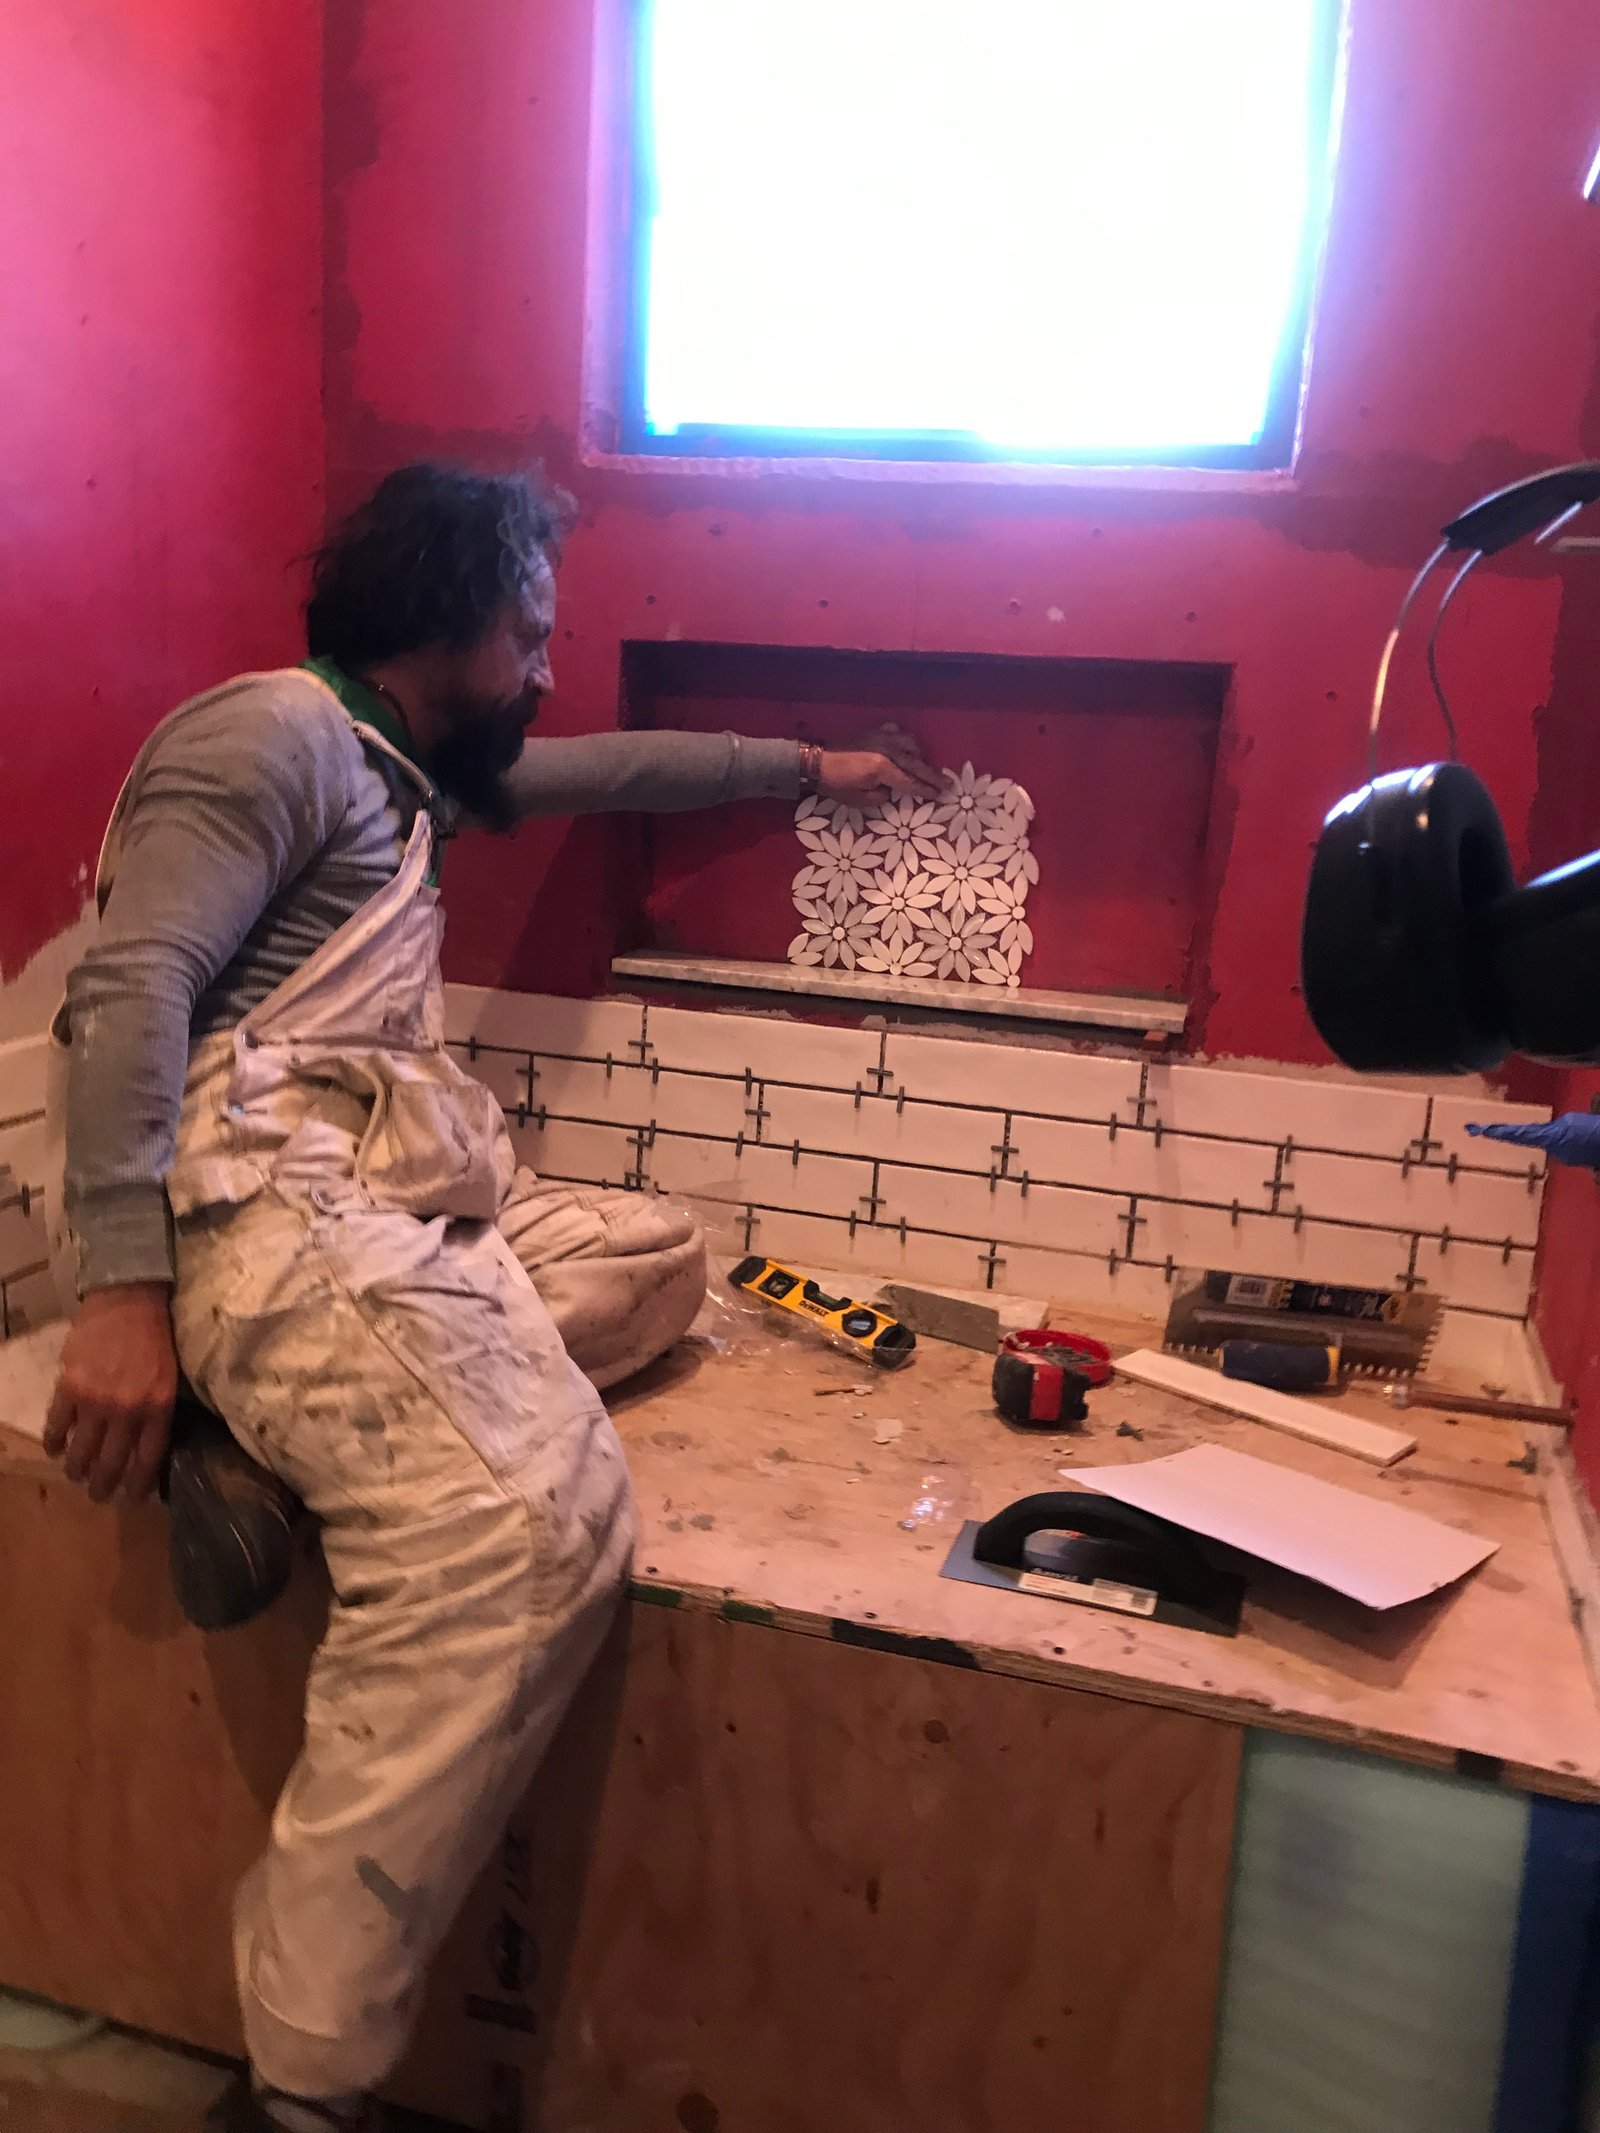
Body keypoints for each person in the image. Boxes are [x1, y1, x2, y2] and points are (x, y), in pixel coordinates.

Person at [41, 463, 939, 2133]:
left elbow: (614, 770)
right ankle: (304, 2080)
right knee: (530, 1526)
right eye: (530, 626)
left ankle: (255, 1434)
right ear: (445, 618)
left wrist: (815, 766)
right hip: (253, 1201)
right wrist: (120, 1292)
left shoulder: (406, 770)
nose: (548, 658)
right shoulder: (269, 738)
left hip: (382, 1189)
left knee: (668, 1262)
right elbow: (129, 992)